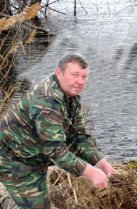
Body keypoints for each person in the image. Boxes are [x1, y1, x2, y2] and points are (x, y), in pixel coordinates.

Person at [0, 53, 118, 209]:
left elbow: (79, 136)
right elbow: (55, 151)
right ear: (59, 73)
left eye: (84, 77)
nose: (80, 82)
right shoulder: (47, 101)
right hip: (14, 160)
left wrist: (102, 163)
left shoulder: (70, 97)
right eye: (75, 75)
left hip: (35, 157)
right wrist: (91, 172)